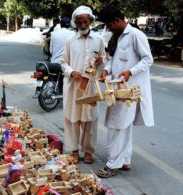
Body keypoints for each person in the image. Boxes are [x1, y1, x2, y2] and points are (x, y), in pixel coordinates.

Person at [95, 7, 154, 178]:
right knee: (123, 126)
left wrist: (130, 72)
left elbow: (147, 59)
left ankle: (112, 164)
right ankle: (125, 160)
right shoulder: (118, 37)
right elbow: (113, 60)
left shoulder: (136, 35)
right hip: (117, 90)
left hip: (129, 91)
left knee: (116, 126)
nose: (108, 28)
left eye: (109, 25)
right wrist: (106, 70)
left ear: (117, 20)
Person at [61, 6, 106, 164]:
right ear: (76, 23)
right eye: (79, 22)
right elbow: (63, 63)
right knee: (72, 118)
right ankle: (73, 150)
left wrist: (101, 62)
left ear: (91, 21)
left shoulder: (99, 40)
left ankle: (88, 151)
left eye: (85, 21)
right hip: (74, 86)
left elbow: (105, 62)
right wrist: (71, 71)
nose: (82, 25)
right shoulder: (70, 41)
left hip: (91, 87)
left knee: (90, 119)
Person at [50, 16, 75, 93]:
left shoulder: (54, 34)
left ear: (60, 24)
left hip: (53, 63)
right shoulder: (73, 34)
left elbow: (51, 51)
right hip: (65, 65)